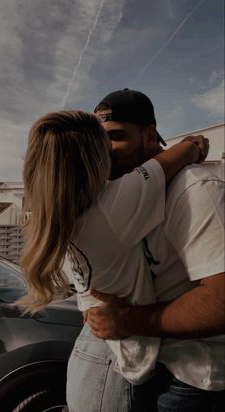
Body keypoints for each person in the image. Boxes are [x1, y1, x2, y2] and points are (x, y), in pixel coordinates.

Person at [17, 109, 208, 412]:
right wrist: (195, 144)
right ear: (96, 158)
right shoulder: (114, 203)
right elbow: (178, 155)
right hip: (119, 358)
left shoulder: (48, 218)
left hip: (94, 344)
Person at [84, 88, 225, 411]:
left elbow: (221, 302)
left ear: (149, 136)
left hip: (196, 380)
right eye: (98, 140)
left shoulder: (194, 187)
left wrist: (127, 321)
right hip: (140, 366)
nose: (105, 149)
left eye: (116, 136)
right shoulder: (113, 196)